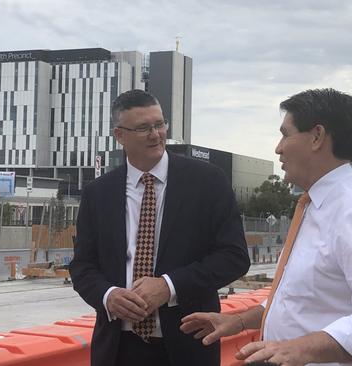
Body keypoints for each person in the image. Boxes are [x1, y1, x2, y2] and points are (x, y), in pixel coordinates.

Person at [181, 88, 352, 366]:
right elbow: (298, 300)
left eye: (286, 134)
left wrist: (300, 349)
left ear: (317, 137)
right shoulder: (314, 206)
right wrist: (239, 321)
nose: (278, 147)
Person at [70, 89, 250, 366]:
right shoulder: (98, 193)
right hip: (117, 349)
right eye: (143, 128)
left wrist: (169, 286)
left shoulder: (207, 181)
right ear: (120, 135)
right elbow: (83, 266)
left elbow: (234, 257)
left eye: (160, 124)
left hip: (188, 346)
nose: (156, 134)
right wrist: (108, 296)